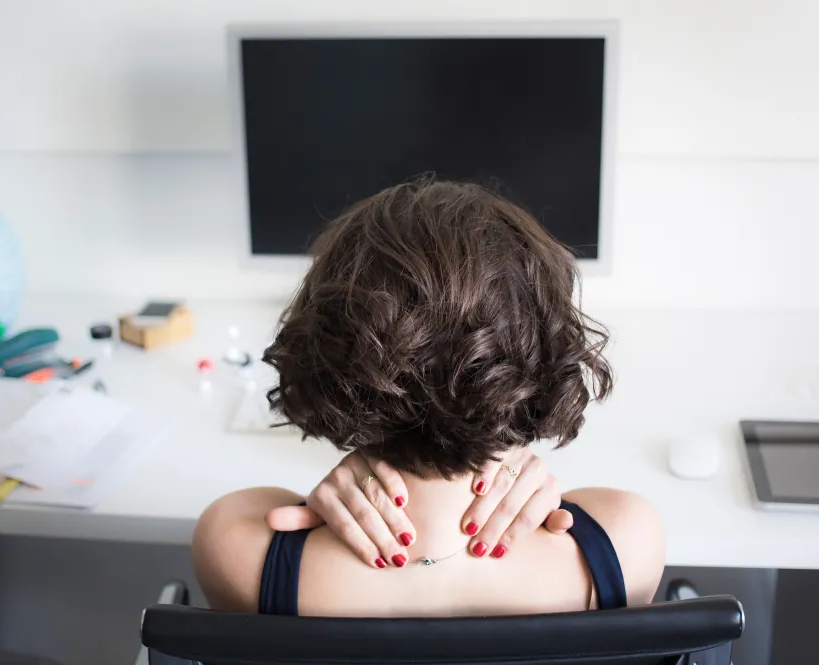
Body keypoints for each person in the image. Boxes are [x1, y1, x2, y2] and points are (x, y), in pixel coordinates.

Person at [194, 179, 665, 617]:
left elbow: (237, 513)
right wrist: (510, 451)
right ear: (542, 346)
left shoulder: (240, 549)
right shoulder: (623, 543)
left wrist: (333, 488)